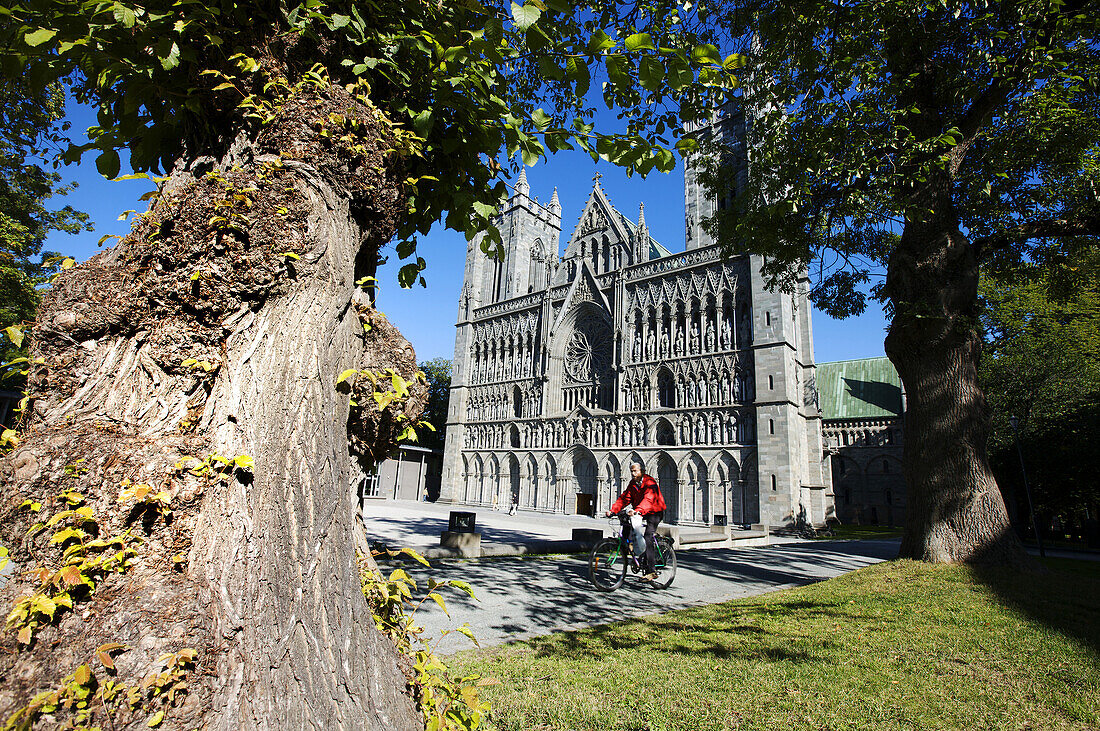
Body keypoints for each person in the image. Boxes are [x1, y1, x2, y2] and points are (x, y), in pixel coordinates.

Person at [606, 462, 666, 581]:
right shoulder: (633, 484)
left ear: (642, 471)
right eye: (631, 471)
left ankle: (651, 571)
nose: (633, 473)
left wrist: (637, 510)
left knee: (648, 536)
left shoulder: (650, 482)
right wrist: (613, 510)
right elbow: (624, 498)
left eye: (635, 471)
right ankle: (632, 553)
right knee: (626, 527)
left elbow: (648, 499)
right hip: (640, 511)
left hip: (655, 511)